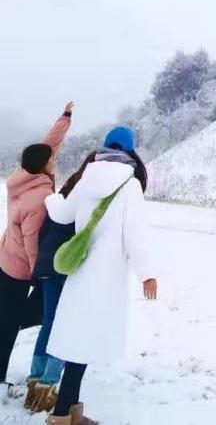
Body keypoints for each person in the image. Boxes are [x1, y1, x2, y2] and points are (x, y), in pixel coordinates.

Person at [44, 126, 157, 425]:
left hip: (80, 273)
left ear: (105, 146)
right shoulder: (129, 185)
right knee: (83, 345)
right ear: (130, 151)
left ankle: (69, 411)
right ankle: (60, 416)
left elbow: (62, 215)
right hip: (106, 279)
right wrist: (147, 274)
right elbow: (136, 236)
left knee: (78, 344)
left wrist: (49, 198)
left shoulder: (86, 178)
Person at [0, 102, 73, 401]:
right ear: (43, 165)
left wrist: (64, 119)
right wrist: (36, 275)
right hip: (19, 269)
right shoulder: (40, 197)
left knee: (7, 318)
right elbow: (32, 241)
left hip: (4, 257)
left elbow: (46, 145)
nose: (54, 162)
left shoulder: (21, 176)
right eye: (51, 161)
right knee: (11, 323)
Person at [23, 163, 85, 413]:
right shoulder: (83, 206)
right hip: (66, 269)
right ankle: (48, 386)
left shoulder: (57, 202)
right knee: (64, 325)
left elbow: (42, 234)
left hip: (47, 268)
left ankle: (35, 383)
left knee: (49, 323)